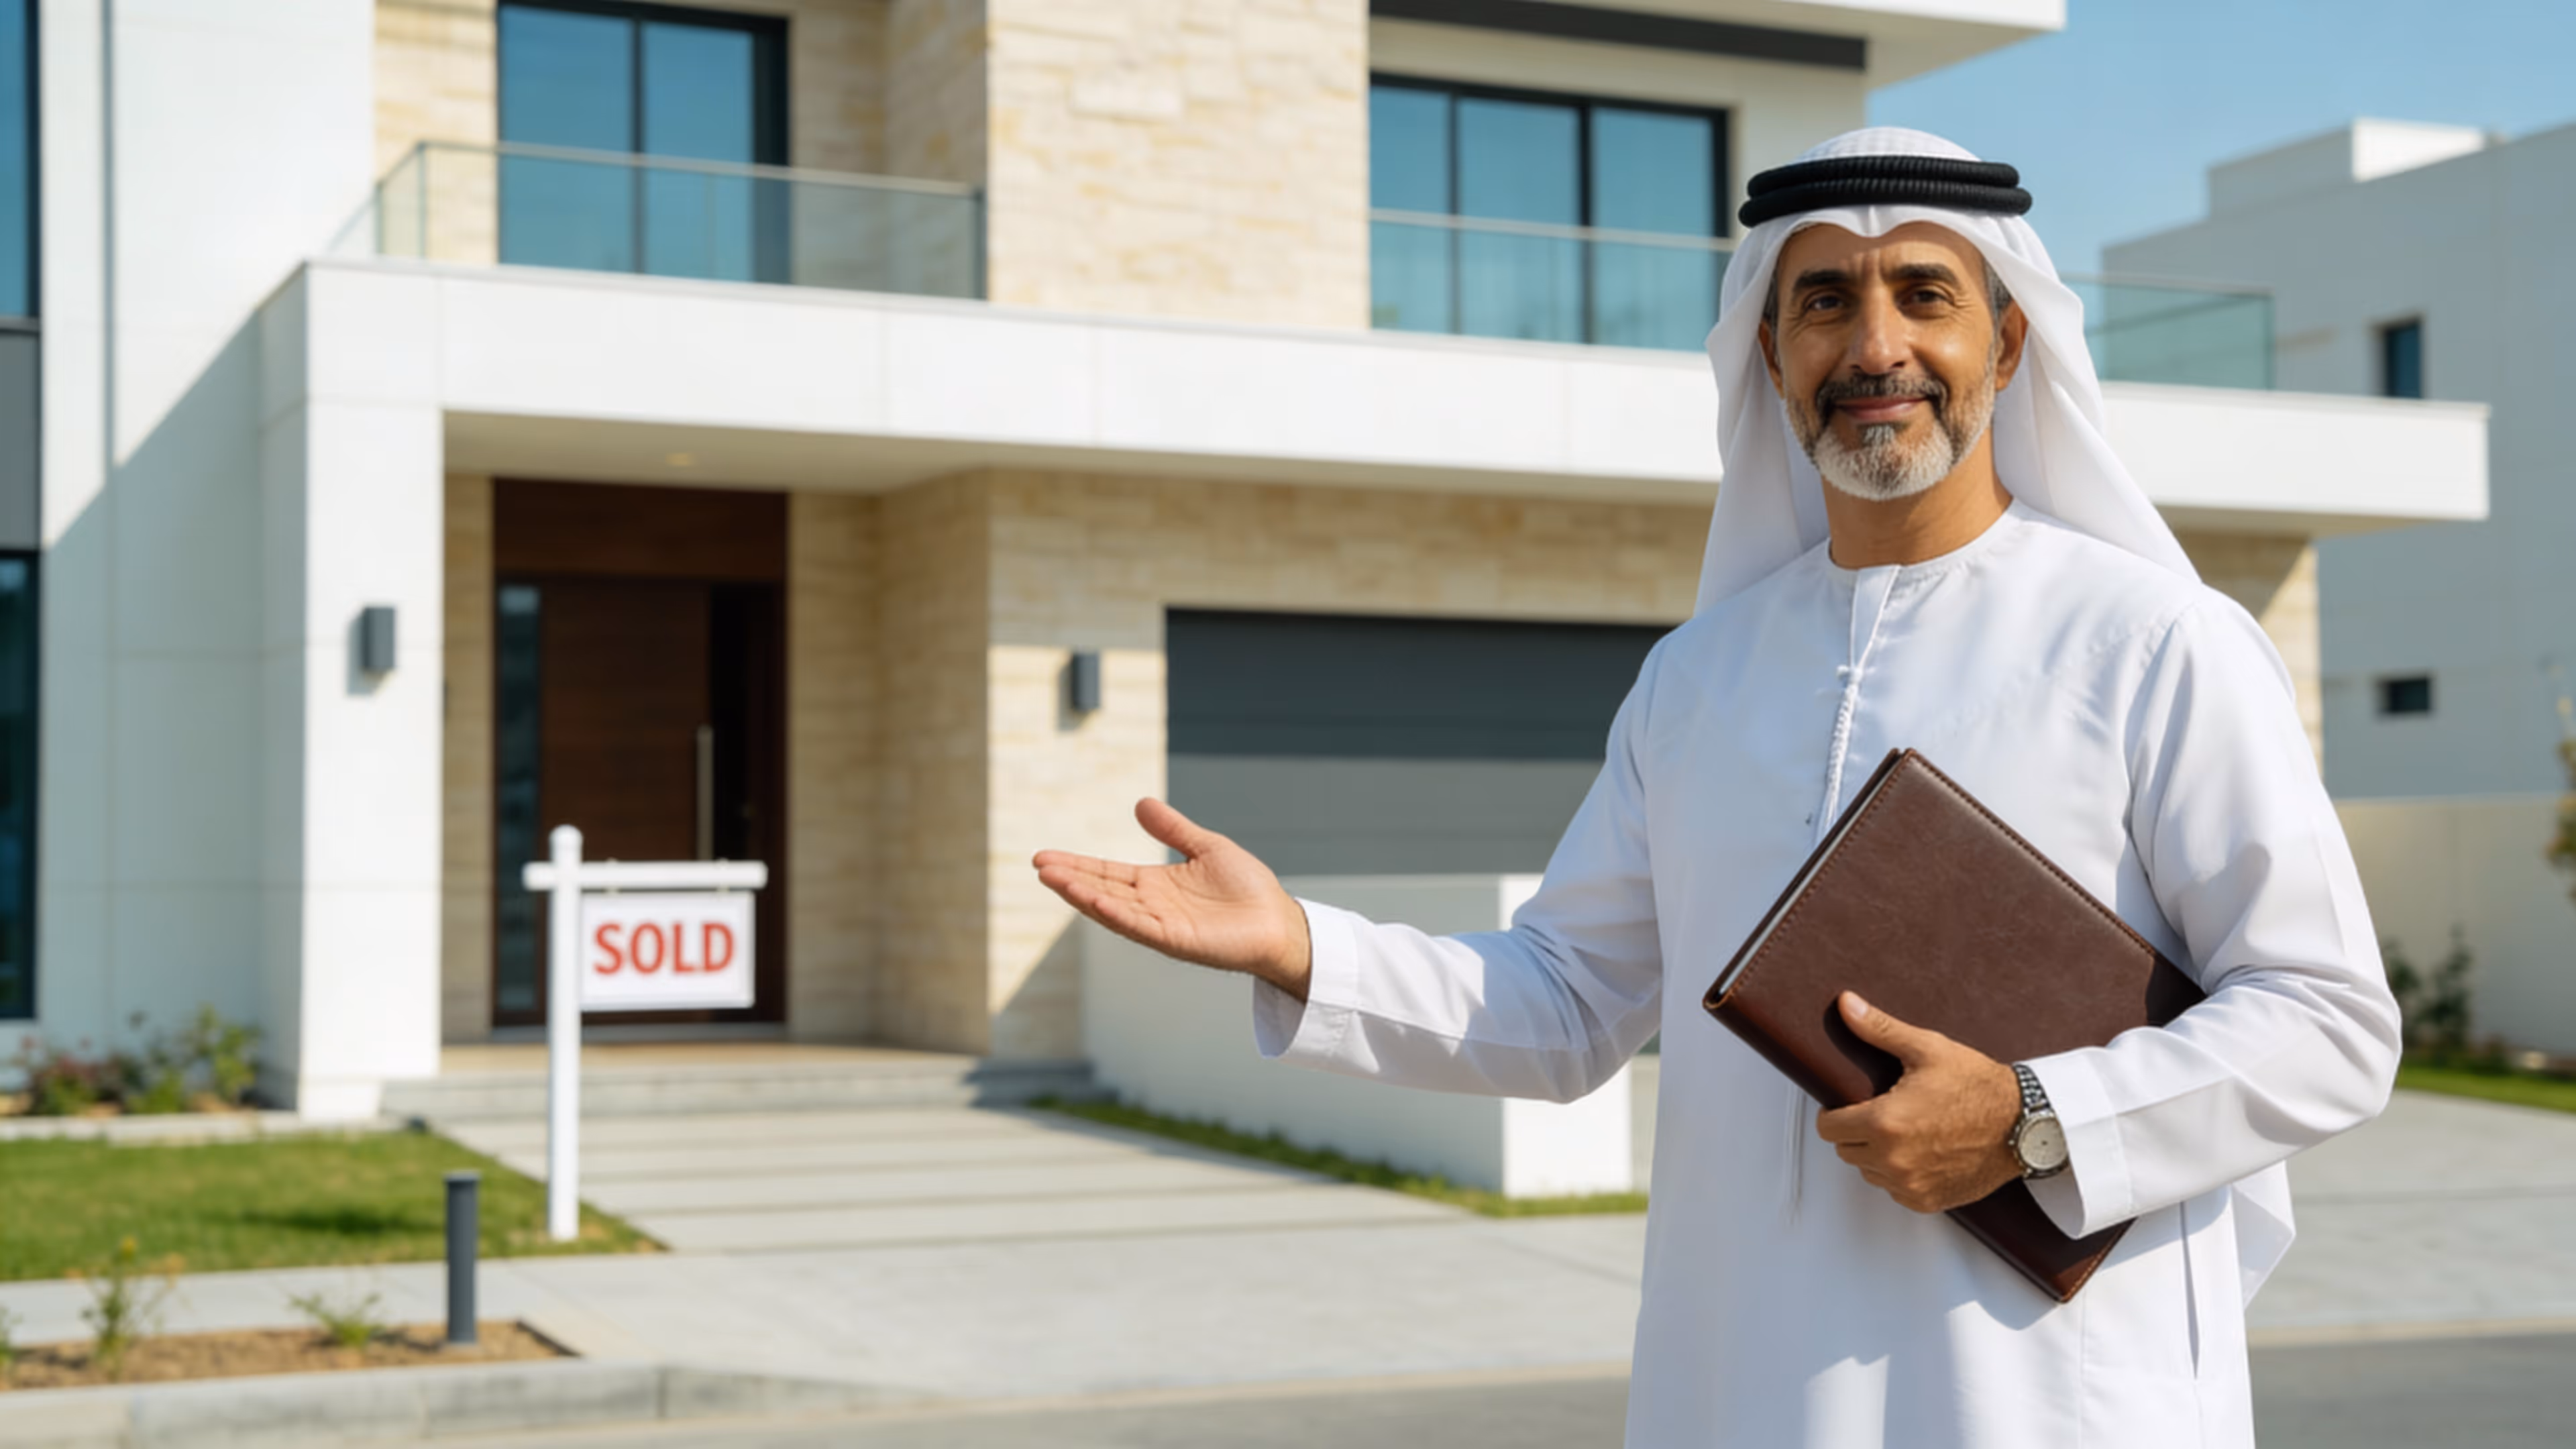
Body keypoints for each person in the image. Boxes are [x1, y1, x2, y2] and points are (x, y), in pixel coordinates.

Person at [1031, 127, 2398, 1448]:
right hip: (1743, 1381)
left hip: (2048, 1396)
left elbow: (2329, 1021)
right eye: (1825, 303)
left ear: (2011, 338)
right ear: (1770, 349)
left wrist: (2033, 1120)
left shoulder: (2157, 642)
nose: (1876, 349)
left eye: (1925, 295)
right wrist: (1301, 947)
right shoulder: (1696, 683)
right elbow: (1569, 1003)